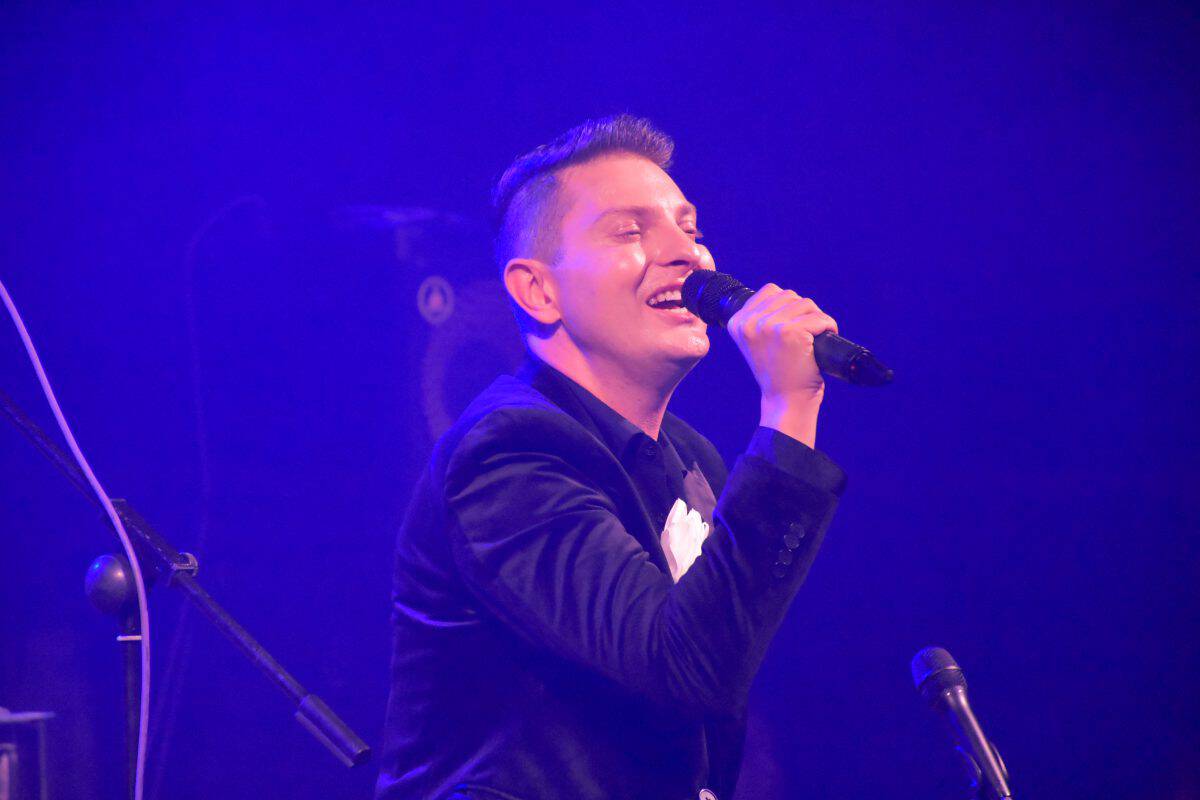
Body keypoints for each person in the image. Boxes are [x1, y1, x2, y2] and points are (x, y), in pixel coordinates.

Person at [376, 115, 847, 800]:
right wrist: (789, 407)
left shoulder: (689, 457)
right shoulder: (507, 454)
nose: (690, 255)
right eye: (630, 231)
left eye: (690, 229)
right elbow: (680, 666)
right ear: (538, 290)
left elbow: (714, 680)